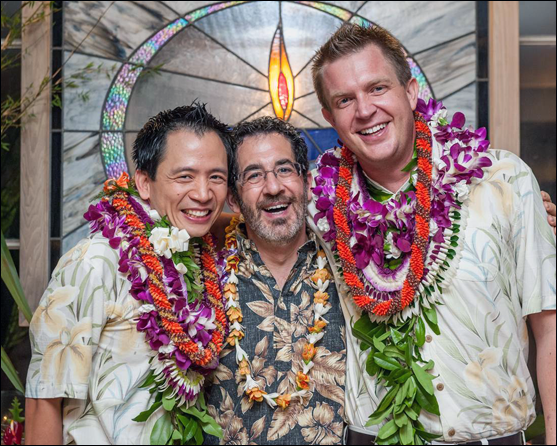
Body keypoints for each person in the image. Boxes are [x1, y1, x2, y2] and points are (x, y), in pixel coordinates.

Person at [306, 23, 556, 445]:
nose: (364, 110)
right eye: (344, 100)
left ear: (411, 91)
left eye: (378, 88)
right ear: (331, 118)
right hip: (373, 436)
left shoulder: (503, 180)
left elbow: (549, 324)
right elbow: (238, 218)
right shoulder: (318, 200)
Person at [25, 103, 233, 445]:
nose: (203, 193)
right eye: (184, 176)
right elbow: (43, 400)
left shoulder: (201, 259)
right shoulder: (96, 261)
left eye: (217, 177)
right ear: (144, 183)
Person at [204, 117, 346, 445]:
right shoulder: (201, 270)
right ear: (234, 199)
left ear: (306, 182)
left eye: (284, 169)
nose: (273, 187)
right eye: (254, 175)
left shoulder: (351, 266)